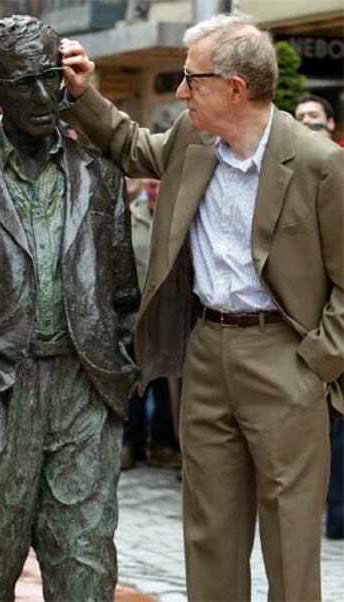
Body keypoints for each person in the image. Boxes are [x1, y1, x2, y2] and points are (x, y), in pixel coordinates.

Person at [60, 12, 344, 601]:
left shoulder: (319, 164)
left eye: (192, 79)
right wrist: (83, 93)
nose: (182, 90)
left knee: (290, 539)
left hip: (285, 357)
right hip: (205, 352)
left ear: (234, 87)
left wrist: (316, 363)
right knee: (210, 532)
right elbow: (129, 145)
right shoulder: (193, 141)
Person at [0, 15, 139, 601]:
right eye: (24, 83)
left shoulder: (98, 172)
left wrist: (115, 377)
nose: (45, 97)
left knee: (86, 570)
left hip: (82, 389)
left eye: (51, 78)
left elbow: (122, 293)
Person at [294, 95, 344, 541]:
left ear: (331, 124)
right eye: (300, 118)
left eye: (315, 118)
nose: (308, 124)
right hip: (320, 328)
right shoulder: (289, 176)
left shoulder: (335, 170)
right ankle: (337, 515)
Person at [122, 178, 181, 469]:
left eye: (160, 184)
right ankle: (130, 444)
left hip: (168, 313)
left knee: (164, 382)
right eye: (151, 185)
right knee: (134, 381)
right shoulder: (131, 215)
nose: (155, 190)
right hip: (135, 314)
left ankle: (163, 444)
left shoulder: (176, 214)